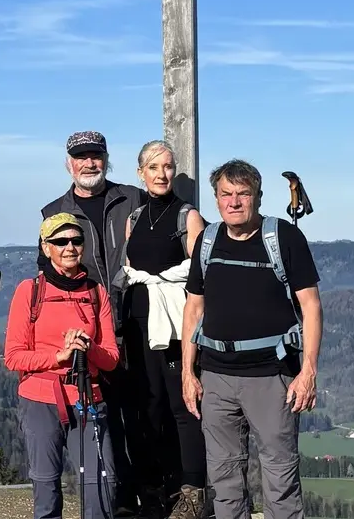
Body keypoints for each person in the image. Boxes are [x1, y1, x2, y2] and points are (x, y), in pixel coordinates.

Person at [180, 160, 323, 519]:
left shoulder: (284, 238)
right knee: (223, 478)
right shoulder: (207, 241)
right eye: (226, 194)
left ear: (258, 197)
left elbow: (311, 307)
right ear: (215, 199)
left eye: (243, 193)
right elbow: (194, 309)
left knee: (280, 479)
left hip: (273, 377)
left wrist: (308, 372)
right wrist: (187, 372)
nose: (234, 201)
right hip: (216, 376)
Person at [40, 130, 146, 517]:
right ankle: (116, 503)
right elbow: (51, 279)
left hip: (138, 322)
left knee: (143, 417)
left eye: (95, 155)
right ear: (69, 163)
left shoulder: (133, 198)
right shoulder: (53, 211)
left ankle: (146, 498)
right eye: (81, 156)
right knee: (105, 424)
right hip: (92, 333)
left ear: (106, 158)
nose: (89, 163)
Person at [4, 213, 121, 519]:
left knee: (101, 485)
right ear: (46, 248)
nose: (69, 247)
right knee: (46, 485)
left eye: (76, 240)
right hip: (40, 400)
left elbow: (110, 357)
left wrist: (87, 348)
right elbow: (14, 356)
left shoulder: (96, 293)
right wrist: (59, 356)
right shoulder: (29, 292)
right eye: (60, 241)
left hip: (87, 398)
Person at [120, 140, 208, 519]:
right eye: (154, 167)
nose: (162, 174)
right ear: (140, 172)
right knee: (147, 407)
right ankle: (153, 492)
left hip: (175, 325)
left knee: (183, 407)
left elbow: (203, 276)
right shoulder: (134, 219)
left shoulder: (188, 218)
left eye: (168, 167)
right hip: (139, 324)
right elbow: (131, 269)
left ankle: (191, 492)